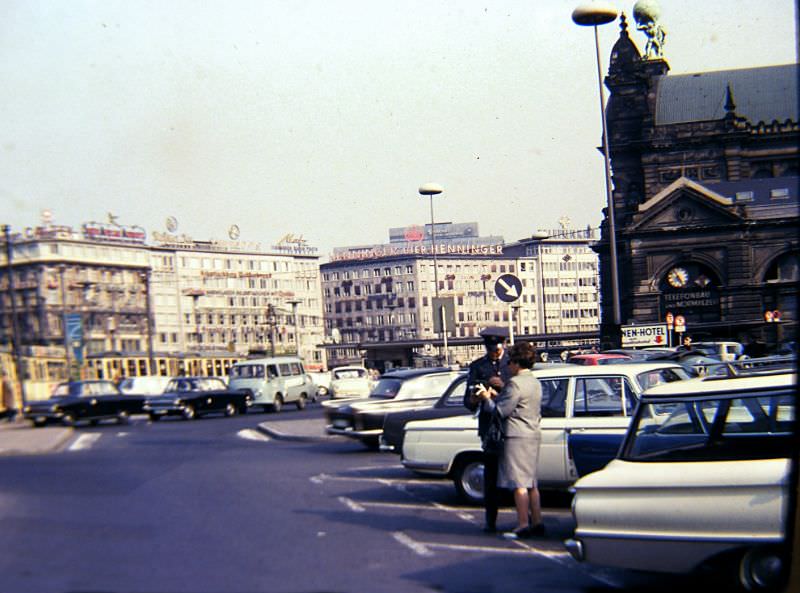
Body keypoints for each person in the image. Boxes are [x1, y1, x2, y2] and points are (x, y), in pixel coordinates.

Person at [476, 341, 544, 539]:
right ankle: (537, 521)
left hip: (516, 436)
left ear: (516, 362)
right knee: (532, 483)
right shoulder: (534, 381)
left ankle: (523, 524)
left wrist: (485, 398)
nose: (508, 366)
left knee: (519, 483)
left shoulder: (515, 383)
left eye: (510, 362)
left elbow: (500, 411)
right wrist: (499, 395)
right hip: (533, 433)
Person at [464, 326, 512, 534]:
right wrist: (475, 399)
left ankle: (525, 519)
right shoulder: (478, 367)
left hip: (511, 425)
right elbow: (468, 401)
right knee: (490, 476)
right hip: (490, 428)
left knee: (518, 475)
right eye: (490, 348)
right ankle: (490, 521)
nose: (494, 351)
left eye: (497, 348)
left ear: (503, 345)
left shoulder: (513, 364)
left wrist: (499, 386)